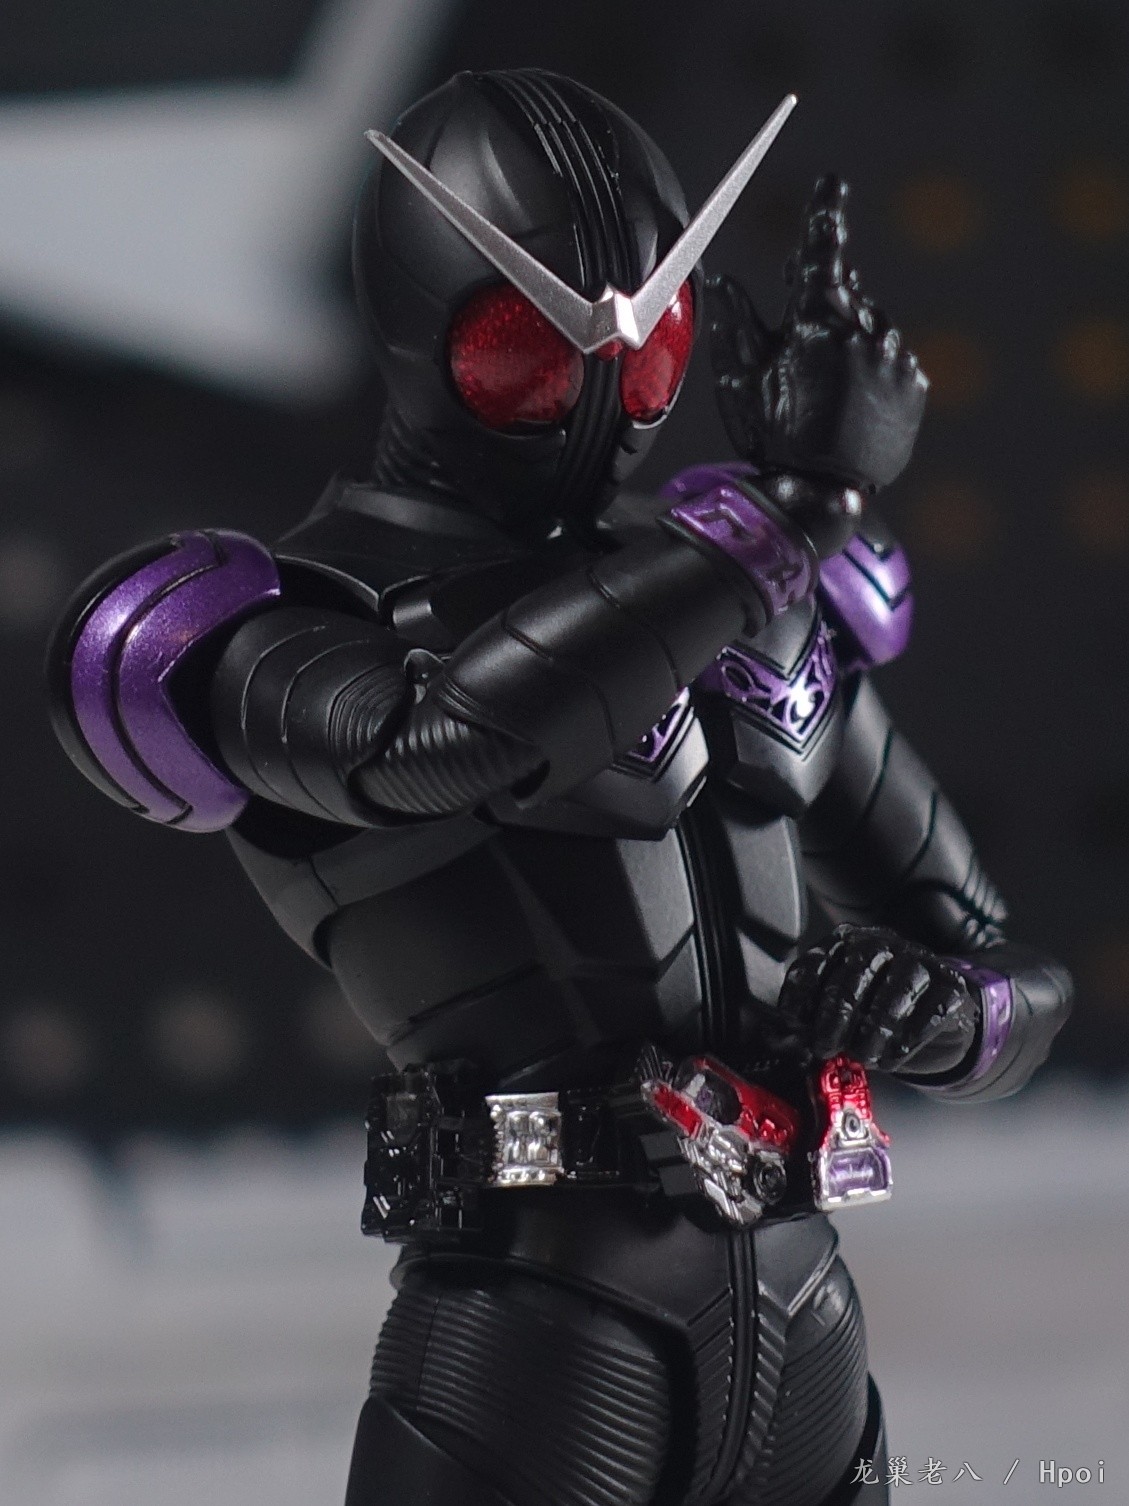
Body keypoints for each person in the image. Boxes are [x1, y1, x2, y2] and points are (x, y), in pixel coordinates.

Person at [48, 69, 1070, 1506]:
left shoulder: (762, 590)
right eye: (531, 347)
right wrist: (787, 521)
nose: (602, 387)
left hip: (804, 1317)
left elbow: (1008, 972)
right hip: (537, 1336)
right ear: (419, 327)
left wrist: (945, 1014)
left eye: (649, 350)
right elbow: (442, 745)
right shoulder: (263, 627)